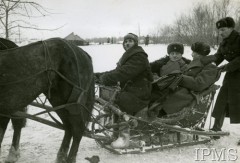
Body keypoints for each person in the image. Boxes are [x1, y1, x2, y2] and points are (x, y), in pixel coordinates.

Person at [95, 33, 153, 148]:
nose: (127, 43)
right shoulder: (128, 56)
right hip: (133, 88)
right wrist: (98, 76)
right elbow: (117, 71)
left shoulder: (139, 56)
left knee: (121, 99)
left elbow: (124, 72)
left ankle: (124, 138)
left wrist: (105, 78)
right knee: (111, 97)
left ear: (135, 43)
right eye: (125, 41)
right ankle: (114, 130)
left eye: (130, 41)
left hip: (140, 92)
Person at [150, 42, 219, 117]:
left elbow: (199, 84)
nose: (192, 54)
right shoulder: (196, 63)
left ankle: (159, 114)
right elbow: (185, 72)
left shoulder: (211, 67)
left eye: (194, 52)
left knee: (164, 98)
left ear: (199, 54)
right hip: (179, 87)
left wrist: (180, 77)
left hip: (188, 93)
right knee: (153, 91)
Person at [202, 17, 240, 144]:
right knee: (222, 99)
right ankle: (216, 129)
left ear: (231, 28)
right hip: (232, 75)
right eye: (219, 30)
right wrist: (206, 63)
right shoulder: (224, 42)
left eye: (223, 29)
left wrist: (226, 67)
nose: (220, 33)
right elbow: (218, 56)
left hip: (236, 71)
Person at [149, 43, 190, 112]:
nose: (174, 55)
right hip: (161, 86)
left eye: (177, 53)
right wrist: (155, 76)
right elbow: (149, 69)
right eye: (172, 53)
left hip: (176, 88)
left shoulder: (187, 64)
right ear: (169, 54)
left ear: (181, 54)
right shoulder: (162, 62)